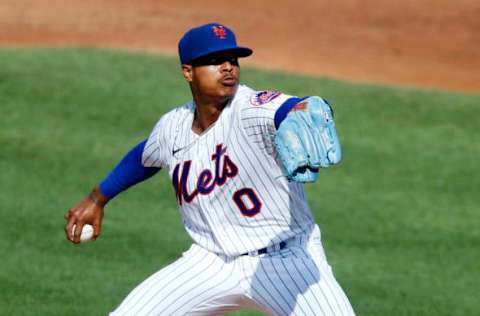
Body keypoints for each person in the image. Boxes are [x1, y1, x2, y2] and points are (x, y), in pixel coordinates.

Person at [64, 22, 356, 316]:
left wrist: (301, 109)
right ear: (188, 71)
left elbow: (284, 108)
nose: (228, 68)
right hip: (210, 263)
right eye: (215, 61)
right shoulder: (172, 127)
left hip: (287, 260)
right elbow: (144, 155)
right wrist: (97, 198)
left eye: (233, 60)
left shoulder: (248, 108)